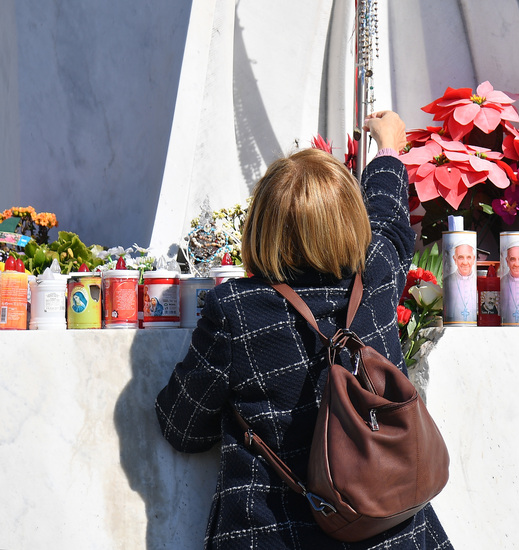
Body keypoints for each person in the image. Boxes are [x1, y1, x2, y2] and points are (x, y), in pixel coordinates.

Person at [155, 111, 452, 550]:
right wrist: (388, 147)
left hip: (272, 534)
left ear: (261, 225)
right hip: (393, 535)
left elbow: (184, 427)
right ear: (352, 221)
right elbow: (388, 215)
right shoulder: (379, 275)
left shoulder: (236, 308)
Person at [443, 242, 477, 323]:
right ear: (455, 259)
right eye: (461, 257)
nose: (465, 262)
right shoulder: (447, 281)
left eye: (468, 257)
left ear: (473, 259)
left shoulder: (478, 281)